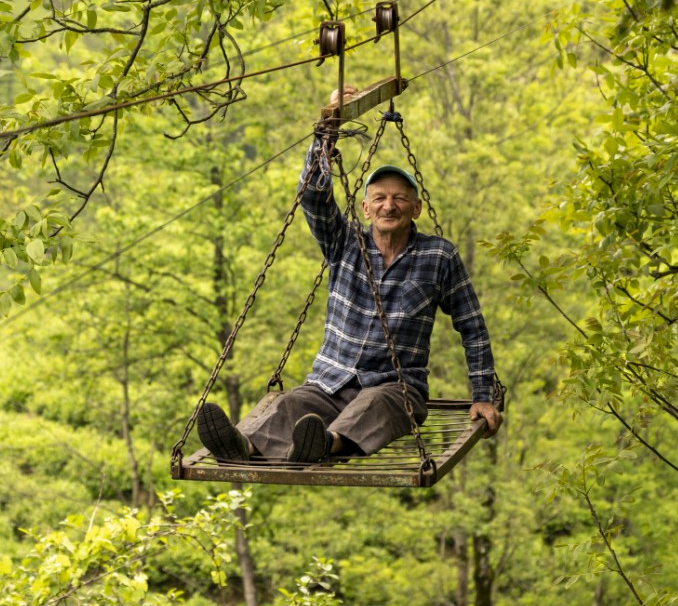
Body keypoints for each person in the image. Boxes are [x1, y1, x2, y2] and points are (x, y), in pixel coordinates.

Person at [195, 97, 501, 464]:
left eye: (400, 199)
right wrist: (328, 129)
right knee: (292, 404)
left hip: (394, 387)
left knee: (377, 404)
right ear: (366, 208)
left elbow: (473, 327)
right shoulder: (344, 242)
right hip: (329, 382)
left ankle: (326, 444)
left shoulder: (438, 256)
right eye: (380, 198)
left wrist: (482, 394)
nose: (390, 206)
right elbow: (312, 196)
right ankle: (241, 446)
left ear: (416, 208)